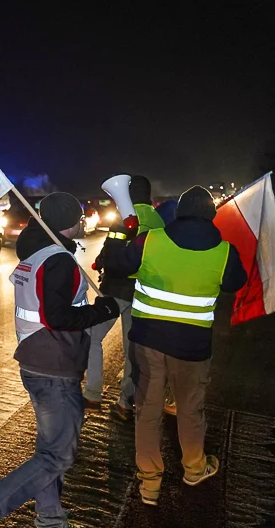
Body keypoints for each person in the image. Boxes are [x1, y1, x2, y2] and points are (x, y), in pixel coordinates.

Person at [0, 192, 121, 528]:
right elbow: (59, 317)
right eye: (80, 217)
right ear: (67, 221)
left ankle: (50, 523)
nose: (84, 222)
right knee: (59, 455)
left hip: (39, 360)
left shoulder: (37, 253)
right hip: (54, 366)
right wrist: (103, 310)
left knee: (50, 450)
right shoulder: (59, 261)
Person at [103, 185, 246, 506]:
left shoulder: (150, 240)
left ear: (179, 212)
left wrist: (122, 237)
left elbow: (118, 264)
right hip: (192, 348)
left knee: (148, 410)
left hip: (148, 341)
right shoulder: (225, 252)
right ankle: (194, 467)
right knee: (190, 408)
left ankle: (150, 483)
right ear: (212, 215)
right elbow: (235, 283)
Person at [85, 175, 165, 417]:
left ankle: (92, 393)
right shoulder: (158, 219)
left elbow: (114, 252)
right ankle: (124, 402)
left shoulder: (126, 215)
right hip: (143, 292)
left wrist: (101, 262)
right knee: (132, 349)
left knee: (91, 337)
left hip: (116, 289)